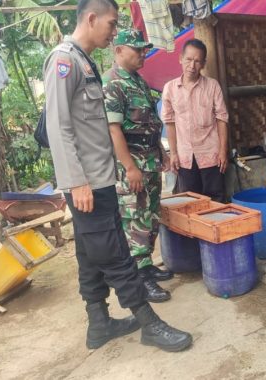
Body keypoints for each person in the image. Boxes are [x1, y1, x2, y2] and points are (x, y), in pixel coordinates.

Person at [43, 0, 191, 352]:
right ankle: (148, 323)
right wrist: (77, 181)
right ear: (91, 18)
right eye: (111, 24)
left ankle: (99, 323)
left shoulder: (83, 60)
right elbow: (58, 126)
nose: (114, 31)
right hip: (88, 184)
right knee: (116, 253)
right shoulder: (64, 60)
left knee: (89, 256)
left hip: (99, 180)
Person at [103, 29, 173, 303]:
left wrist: (162, 153)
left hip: (151, 161)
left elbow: (149, 125)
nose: (143, 53)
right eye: (137, 49)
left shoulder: (138, 81)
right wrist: (130, 168)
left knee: (151, 215)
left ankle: (146, 267)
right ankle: (140, 278)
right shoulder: (113, 83)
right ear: (119, 51)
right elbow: (114, 130)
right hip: (132, 166)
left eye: (144, 48)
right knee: (135, 220)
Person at [160, 39, 229, 202]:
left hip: (212, 155)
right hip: (185, 158)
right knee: (191, 202)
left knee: (216, 200)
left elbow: (222, 119)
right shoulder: (170, 88)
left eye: (197, 61)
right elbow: (169, 122)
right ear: (180, 58)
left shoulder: (212, 86)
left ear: (203, 64)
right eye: (189, 59)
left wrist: (223, 151)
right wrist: (174, 153)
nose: (192, 66)